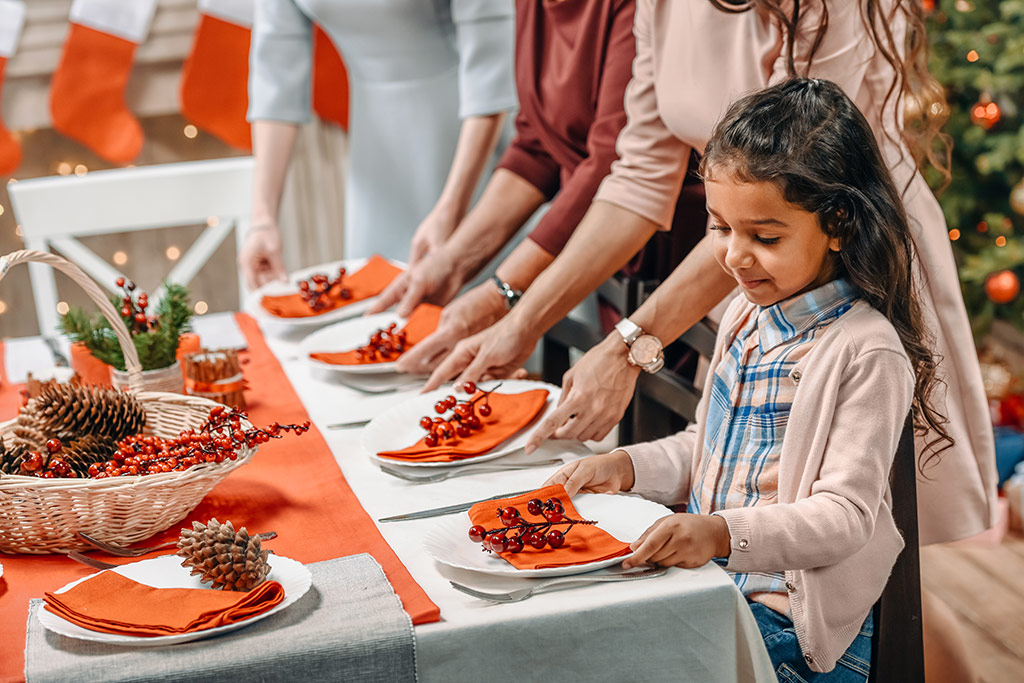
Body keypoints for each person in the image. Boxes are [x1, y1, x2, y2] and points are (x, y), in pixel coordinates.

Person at [425, 0, 996, 551]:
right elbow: (639, 177)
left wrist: (631, 343)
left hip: (846, 263)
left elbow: (796, 177)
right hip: (753, 266)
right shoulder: (745, 283)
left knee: (876, 559)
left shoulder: (858, 338)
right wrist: (520, 317)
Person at [546, 77, 946, 680]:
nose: (735, 256)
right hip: (715, 589)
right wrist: (627, 467)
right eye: (720, 228)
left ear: (837, 223)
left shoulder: (866, 352)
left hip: (790, 629)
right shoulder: (744, 314)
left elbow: (843, 517)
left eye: (764, 237)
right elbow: (706, 449)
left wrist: (720, 534)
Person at [366, 0, 705, 372]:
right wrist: (453, 260)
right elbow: (537, 144)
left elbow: (616, 164)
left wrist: (504, 294)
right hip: (603, 242)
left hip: (675, 242)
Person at [239, 0, 517, 288]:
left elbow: (490, 72)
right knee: (375, 308)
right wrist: (263, 219)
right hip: (375, 161)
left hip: (472, 144)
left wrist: (452, 209)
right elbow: (275, 76)